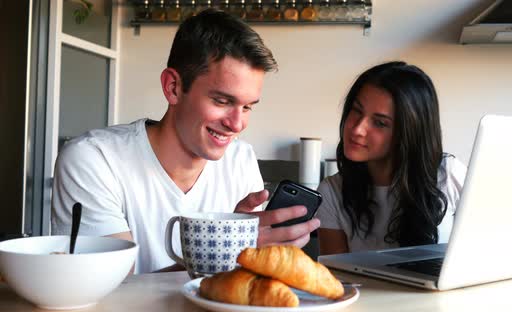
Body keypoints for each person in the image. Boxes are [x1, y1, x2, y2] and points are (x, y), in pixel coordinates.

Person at [51, 9, 320, 274]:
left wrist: (252, 258)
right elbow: (113, 292)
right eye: (222, 101)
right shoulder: (93, 160)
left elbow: (238, 283)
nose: (236, 124)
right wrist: (227, 251)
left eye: (248, 107)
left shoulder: (241, 160)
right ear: (173, 87)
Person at [316, 61, 466, 255]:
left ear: (410, 131)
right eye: (356, 111)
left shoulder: (449, 174)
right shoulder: (331, 193)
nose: (357, 129)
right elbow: (334, 281)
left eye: (379, 123)